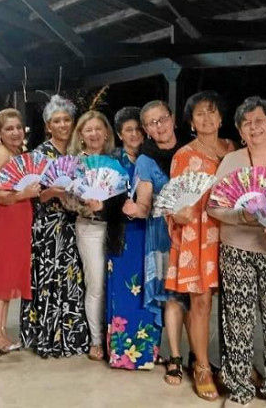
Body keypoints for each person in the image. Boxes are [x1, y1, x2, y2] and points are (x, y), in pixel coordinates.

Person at [208, 96, 266, 408]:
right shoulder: (231, 162)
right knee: (237, 320)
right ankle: (239, 389)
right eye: (246, 123)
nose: (253, 127)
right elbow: (214, 205)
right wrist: (240, 216)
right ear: (239, 130)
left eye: (259, 121)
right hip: (236, 248)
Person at [168, 91, 236, 402]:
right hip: (198, 235)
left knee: (236, 305)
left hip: (234, 233)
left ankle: (236, 364)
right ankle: (202, 366)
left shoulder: (234, 150)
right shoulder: (183, 155)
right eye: (199, 114)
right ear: (191, 122)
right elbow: (173, 202)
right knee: (201, 303)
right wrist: (177, 213)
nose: (206, 118)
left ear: (222, 117)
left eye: (212, 112)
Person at [20, 95, 90, 358]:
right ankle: (48, 336)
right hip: (48, 225)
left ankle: (71, 335)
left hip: (75, 223)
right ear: (48, 125)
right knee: (49, 279)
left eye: (66, 120)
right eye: (56, 121)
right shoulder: (39, 154)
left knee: (73, 279)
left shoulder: (78, 153)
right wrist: (55, 193)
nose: (62, 125)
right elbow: (35, 194)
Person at [131, 100, 189, 385]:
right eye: (152, 123)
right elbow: (144, 202)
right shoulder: (145, 160)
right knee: (172, 298)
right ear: (146, 130)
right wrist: (136, 208)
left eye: (163, 119)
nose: (159, 126)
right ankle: (175, 357)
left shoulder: (192, 151)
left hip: (193, 233)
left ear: (172, 119)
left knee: (198, 297)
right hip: (163, 235)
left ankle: (200, 360)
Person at [106, 106, 162, 370]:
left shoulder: (153, 158)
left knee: (149, 290)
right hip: (124, 235)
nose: (135, 134)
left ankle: (149, 353)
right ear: (119, 134)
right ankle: (122, 354)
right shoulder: (114, 163)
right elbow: (106, 200)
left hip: (151, 234)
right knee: (124, 290)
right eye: (129, 130)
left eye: (139, 128)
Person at [68, 109, 124, 361]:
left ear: (106, 133)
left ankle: (117, 338)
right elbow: (67, 202)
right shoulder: (75, 164)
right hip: (89, 227)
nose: (94, 133)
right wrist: (84, 204)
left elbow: (124, 194)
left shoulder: (116, 161)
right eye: (88, 129)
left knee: (116, 285)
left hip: (115, 228)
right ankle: (96, 340)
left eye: (98, 128)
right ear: (81, 134)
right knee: (96, 284)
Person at [0, 108, 39, 357]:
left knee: (7, 280)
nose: (16, 132)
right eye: (9, 128)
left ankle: (2, 331)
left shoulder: (17, 153)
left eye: (18, 127)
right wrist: (23, 194)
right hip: (4, 220)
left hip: (17, 221)